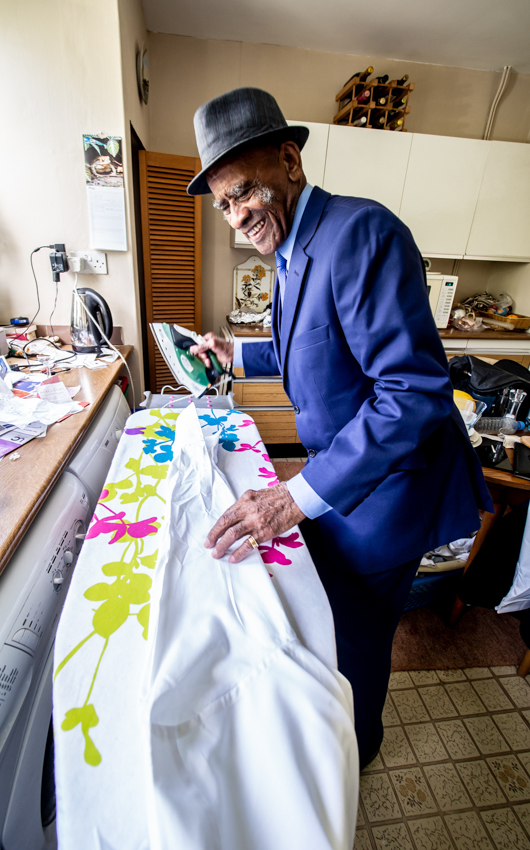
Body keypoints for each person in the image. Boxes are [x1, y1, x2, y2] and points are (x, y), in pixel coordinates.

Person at [188, 87, 492, 767]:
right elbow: (315, 342)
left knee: (355, 632)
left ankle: (356, 752)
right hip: (349, 474)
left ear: (289, 161)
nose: (237, 216)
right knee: (326, 607)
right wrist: (235, 353)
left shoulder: (360, 234)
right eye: (224, 205)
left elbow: (411, 393)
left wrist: (293, 497)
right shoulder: (292, 247)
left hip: (390, 487)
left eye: (244, 193)